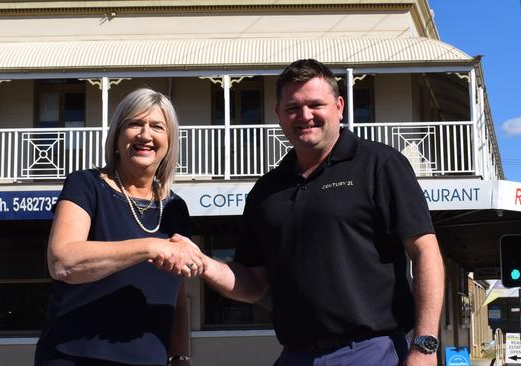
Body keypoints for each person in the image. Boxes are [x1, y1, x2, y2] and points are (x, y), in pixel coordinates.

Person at [177, 59, 444, 366]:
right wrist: (203, 262)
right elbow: (252, 283)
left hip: (371, 351)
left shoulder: (380, 165)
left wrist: (424, 346)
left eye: (316, 104)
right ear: (278, 114)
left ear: (339, 106)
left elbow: (425, 252)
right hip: (296, 355)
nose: (304, 116)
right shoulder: (266, 192)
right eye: (292, 108)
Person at [35, 88, 206, 366]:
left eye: (157, 127)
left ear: (169, 142)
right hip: (74, 356)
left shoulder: (176, 209)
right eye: (135, 124)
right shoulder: (86, 186)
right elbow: (62, 261)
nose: (145, 135)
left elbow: (177, 298)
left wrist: (179, 356)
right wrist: (150, 246)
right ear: (117, 136)